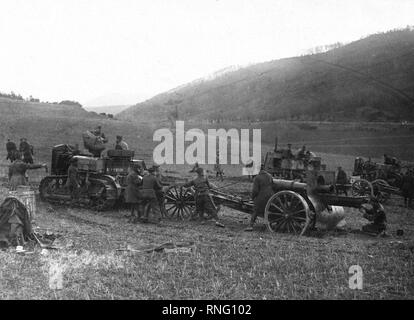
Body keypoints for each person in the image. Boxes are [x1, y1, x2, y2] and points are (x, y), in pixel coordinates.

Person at [245, 164, 274, 231]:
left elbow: (255, 190)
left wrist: (252, 197)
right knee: (266, 210)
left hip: (262, 196)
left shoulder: (257, 178)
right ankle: (265, 224)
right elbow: (273, 185)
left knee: (255, 209)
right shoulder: (269, 176)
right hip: (271, 196)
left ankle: (250, 226)